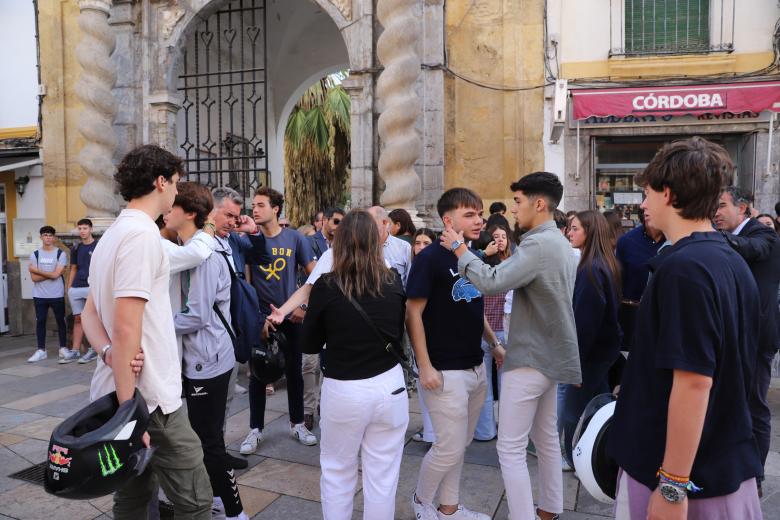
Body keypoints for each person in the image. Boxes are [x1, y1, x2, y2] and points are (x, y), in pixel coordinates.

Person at [608, 137, 763, 519]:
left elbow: (694, 380)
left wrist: (673, 485)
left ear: (668, 193)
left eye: (646, 194)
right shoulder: (727, 258)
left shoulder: (685, 269)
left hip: (690, 476)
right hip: (719, 461)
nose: (642, 205)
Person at [81, 144, 212, 518]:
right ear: (160, 182)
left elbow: (90, 315)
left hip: (123, 392)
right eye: (175, 182)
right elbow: (125, 326)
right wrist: (129, 415)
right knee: (195, 500)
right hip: (148, 400)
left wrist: (106, 354)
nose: (176, 190)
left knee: (133, 496)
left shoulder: (113, 235)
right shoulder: (141, 236)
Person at [442, 173, 580, 520]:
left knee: (510, 448)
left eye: (518, 202)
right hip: (549, 356)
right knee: (546, 439)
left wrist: (460, 248)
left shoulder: (538, 243)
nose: (513, 210)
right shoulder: (559, 241)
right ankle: (549, 509)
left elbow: (492, 281)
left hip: (531, 356)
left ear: (539, 204)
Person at [301, 210, 408, 520]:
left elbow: (308, 344)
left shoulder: (326, 285)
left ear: (341, 241)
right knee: (383, 477)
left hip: (345, 388)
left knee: (337, 472)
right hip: (390, 386)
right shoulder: (393, 280)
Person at [408, 188, 497, 520]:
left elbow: (476, 305)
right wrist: (425, 365)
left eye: (480, 213)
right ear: (449, 220)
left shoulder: (470, 255)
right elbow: (412, 312)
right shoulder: (430, 258)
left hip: (476, 366)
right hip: (444, 371)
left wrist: (494, 343)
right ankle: (420, 501)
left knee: (460, 445)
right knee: (447, 448)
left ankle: (449, 509)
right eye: (470, 214)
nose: (479, 220)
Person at [166, 183, 249, 520]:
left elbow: (197, 315)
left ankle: (233, 511)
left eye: (171, 207)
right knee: (205, 436)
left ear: (190, 213)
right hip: (208, 357)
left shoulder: (205, 253)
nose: (165, 212)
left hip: (207, 360)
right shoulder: (196, 248)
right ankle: (218, 500)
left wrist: (155, 326)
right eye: (227, 213)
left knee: (208, 441)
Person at [240, 187, 318, 454]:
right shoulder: (250, 241)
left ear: (275, 209)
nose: (255, 209)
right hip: (262, 319)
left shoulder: (296, 239)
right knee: (258, 374)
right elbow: (247, 284)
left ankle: (297, 424)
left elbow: (315, 276)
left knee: (295, 371)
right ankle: (255, 430)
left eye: (260, 205)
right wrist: (257, 319)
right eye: (253, 205)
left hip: (292, 317)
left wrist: (304, 306)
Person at [714, 185, 780, 495]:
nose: (716, 211)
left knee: (754, 407)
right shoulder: (734, 234)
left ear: (743, 208)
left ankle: (755, 475)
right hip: (733, 335)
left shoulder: (762, 232)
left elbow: (754, 249)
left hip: (756, 339)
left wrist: (710, 237)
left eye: (722, 205)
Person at [560, 211, 621, 463]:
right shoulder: (604, 263)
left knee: (574, 412)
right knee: (601, 405)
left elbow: (586, 323)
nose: (569, 233)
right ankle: (598, 455)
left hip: (590, 355)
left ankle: (573, 459)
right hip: (603, 351)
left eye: (574, 228)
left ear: (590, 231)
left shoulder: (591, 269)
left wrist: (575, 364)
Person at [473, 224, 512, 442]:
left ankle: (485, 431)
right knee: (507, 386)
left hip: (482, 333)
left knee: (484, 387)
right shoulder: (507, 270)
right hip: (504, 332)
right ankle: (508, 432)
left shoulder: (476, 274)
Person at [27, 226, 78, 363]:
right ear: (41, 237)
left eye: (50, 235)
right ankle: (41, 350)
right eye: (45, 235)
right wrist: (53, 274)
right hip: (39, 295)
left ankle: (62, 348)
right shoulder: (35, 254)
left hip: (57, 294)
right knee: (41, 322)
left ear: (54, 238)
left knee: (61, 321)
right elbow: (34, 278)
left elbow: (56, 275)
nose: (48, 237)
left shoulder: (60, 254)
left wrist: (37, 270)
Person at [408, 227, 437, 445]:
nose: (420, 247)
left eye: (426, 243)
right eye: (417, 243)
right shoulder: (414, 265)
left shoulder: (428, 267)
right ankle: (430, 432)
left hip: (429, 332)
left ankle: (432, 434)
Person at [66, 219, 99, 363]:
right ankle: (75, 351)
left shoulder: (98, 245)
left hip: (92, 287)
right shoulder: (76, 248)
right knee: (78, 319)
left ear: (91, 229)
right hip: (76, 287)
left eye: (85, 228)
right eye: (80, 228)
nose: (82, 231)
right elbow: (73, 267)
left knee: (93, 318)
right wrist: (69, 287)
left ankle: (94, 349)